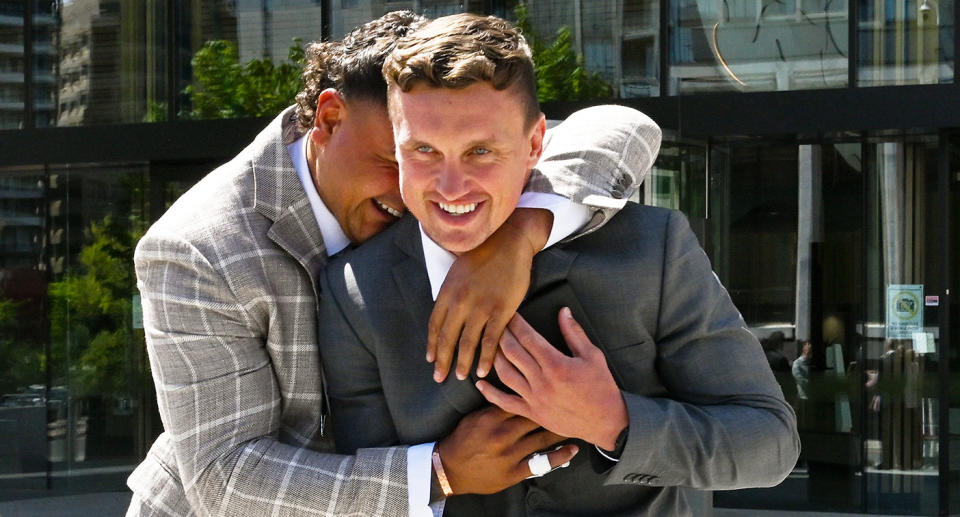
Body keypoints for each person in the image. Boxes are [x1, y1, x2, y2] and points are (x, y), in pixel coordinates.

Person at [126, 10, 656, 517]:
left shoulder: (444, 149)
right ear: (330, 119)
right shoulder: (197, 252)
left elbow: (626, 129)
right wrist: (439, 473)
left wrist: (521, 234)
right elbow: (225, 482)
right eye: (398, 159)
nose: (420, 193)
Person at [318, 13, 800, 516]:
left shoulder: (652, 248)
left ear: (533, 145)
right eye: (424, 150)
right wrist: (442, 474)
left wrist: (614, 420)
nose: (450, 186)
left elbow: (769, 444)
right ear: (397, 145)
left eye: (480, 151)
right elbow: (367, 490)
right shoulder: (353, 292)